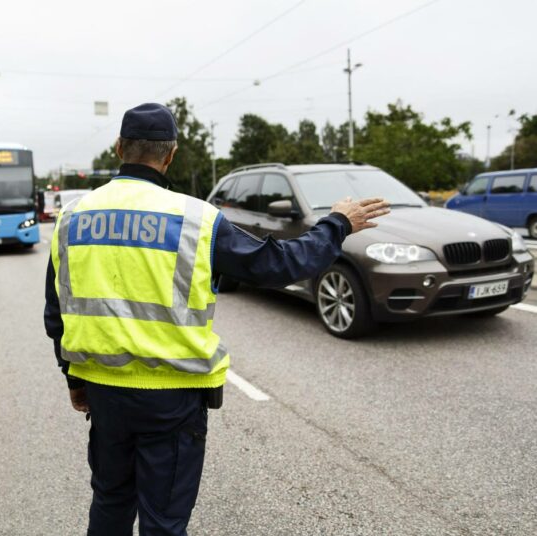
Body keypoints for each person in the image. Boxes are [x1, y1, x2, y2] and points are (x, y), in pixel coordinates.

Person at [44, 102, 390, 536]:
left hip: (103, 393)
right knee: (164, 522)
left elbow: (56, 311)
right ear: (170, 155)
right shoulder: (196, 219)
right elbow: (277, 265)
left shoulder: (73, 216)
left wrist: (74, 380)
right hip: (171, 399)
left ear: (118, 149)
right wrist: (337, 223)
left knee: (110, 502)